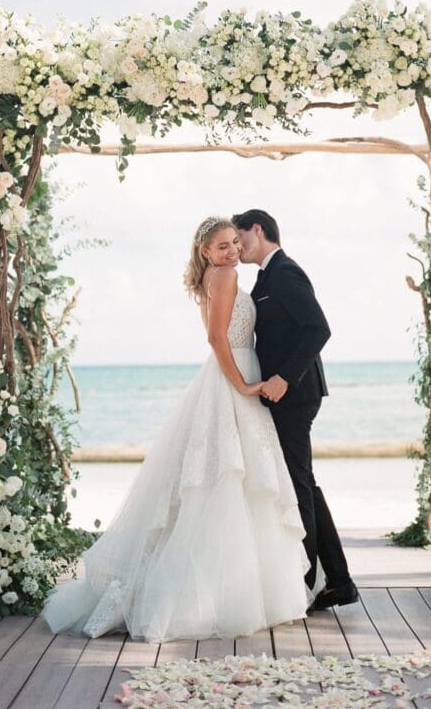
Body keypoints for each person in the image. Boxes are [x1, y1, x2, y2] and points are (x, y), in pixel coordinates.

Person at [41, 216, 309, 642]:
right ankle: (219, 598)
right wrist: (241, 384)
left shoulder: (215, 274)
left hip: (237, 370)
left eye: (232, 244)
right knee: (229, 479)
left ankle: (238, 591)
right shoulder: (224, 276)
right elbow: (217, 339)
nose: (231, 251)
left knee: (237, 479)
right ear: (205, 251)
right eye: (221, 246)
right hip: (233, 373)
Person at [232, 209, 359, 612]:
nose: (238, 248)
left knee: (298, 484)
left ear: (258, 229)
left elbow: (318, 328)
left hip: (297, 395)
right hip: (280, 395)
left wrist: (285, 377)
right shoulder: (265, 276)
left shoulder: (286, 272)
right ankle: (338, 580)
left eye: (240, 239)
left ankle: (304, 580)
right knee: (302, 482)